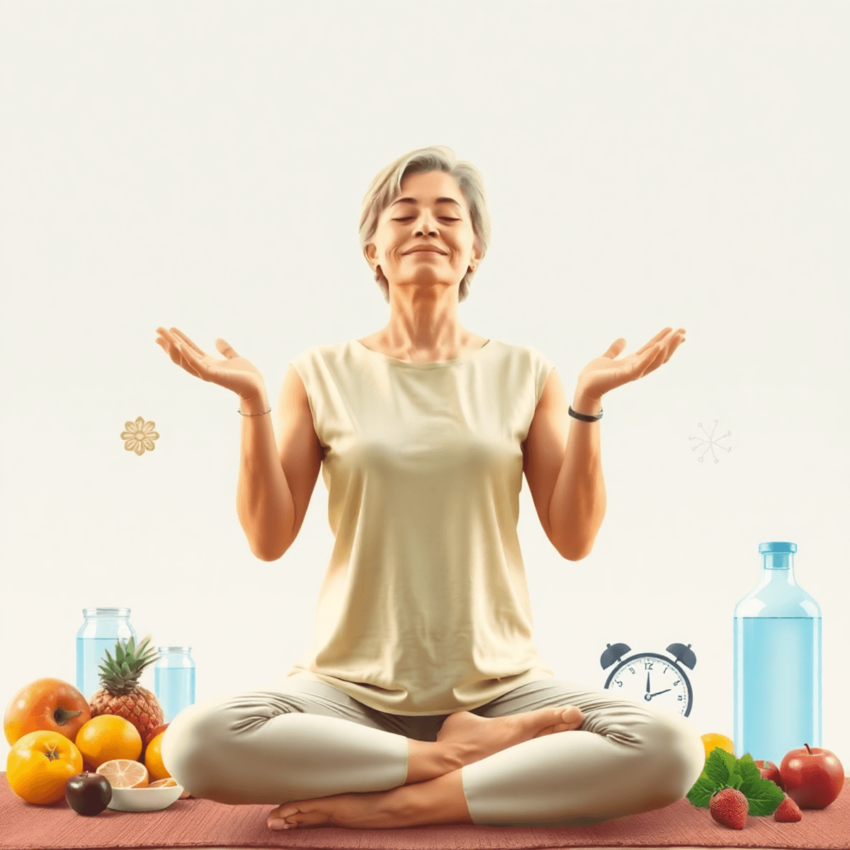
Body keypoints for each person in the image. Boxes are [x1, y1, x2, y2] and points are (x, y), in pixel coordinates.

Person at [154, 145, 701, 831]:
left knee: (669, 748)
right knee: (197, 743)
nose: (426, 226)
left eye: (449, 214)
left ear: (474, 251)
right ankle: (450, 763)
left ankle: (411, 799)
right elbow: (268, 539)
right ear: (372, 252)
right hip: (344, 693)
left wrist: (588, 401)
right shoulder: (318, 372)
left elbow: (574, 538)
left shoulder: (526, 370)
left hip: (503, 688)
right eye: (403, 213)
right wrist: (250, 402)